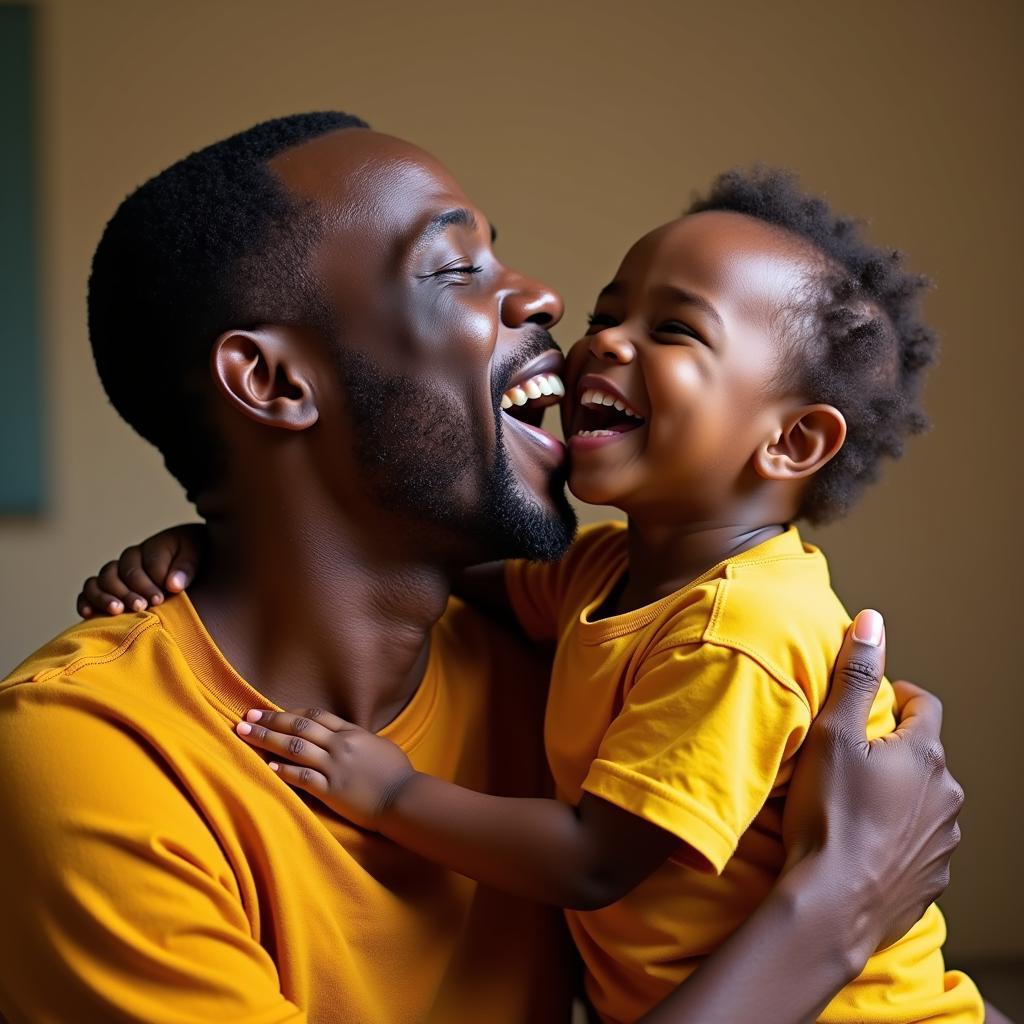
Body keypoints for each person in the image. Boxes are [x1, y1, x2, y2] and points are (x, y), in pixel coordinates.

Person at [0, 113, 965, 1024]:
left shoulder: (556, 674)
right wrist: (839, 905)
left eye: (677, 330)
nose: (548, 301)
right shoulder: (89, 759)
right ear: (277, 382)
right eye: (455, 265)